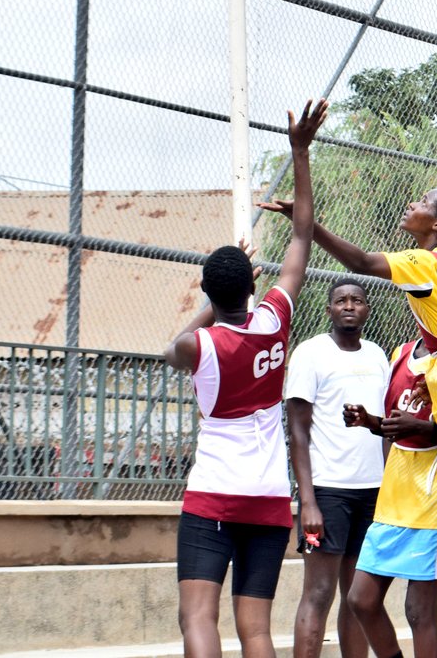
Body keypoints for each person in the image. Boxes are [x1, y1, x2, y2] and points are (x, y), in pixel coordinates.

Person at [260, 185, 437, 658]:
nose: (412, 204)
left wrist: (306, 223)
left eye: (424, 202)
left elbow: (362, 263)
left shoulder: (427, 263)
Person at [163, 99, 327, 658]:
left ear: (209, 294)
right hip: (266, 497)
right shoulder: (275, 319)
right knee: (255, 629)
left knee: (198, 620)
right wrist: (299, 151)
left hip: (213, 495)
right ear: (252, 290)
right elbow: (302, 234)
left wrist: (215, 300)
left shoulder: (201, 344)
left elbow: (171, 348)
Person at [286, 279, 391, 658]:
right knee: (318, 592)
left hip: (373, 496)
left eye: (357, 300)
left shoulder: (379, 356)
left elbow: (384, 427)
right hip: (327, 495)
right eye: (341, 301)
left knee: (358, 596)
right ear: (329, 309)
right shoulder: (310, 354)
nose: (349, 306)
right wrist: (308, 501)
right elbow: (297, 431)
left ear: (367, 309)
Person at [344, 337, 437, 658]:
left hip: (434, 496)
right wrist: (370, 421)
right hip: (395, 495)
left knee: (418, 610)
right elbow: (396, 423)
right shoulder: (401, 353)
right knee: (361, 599)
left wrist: (425, 427)